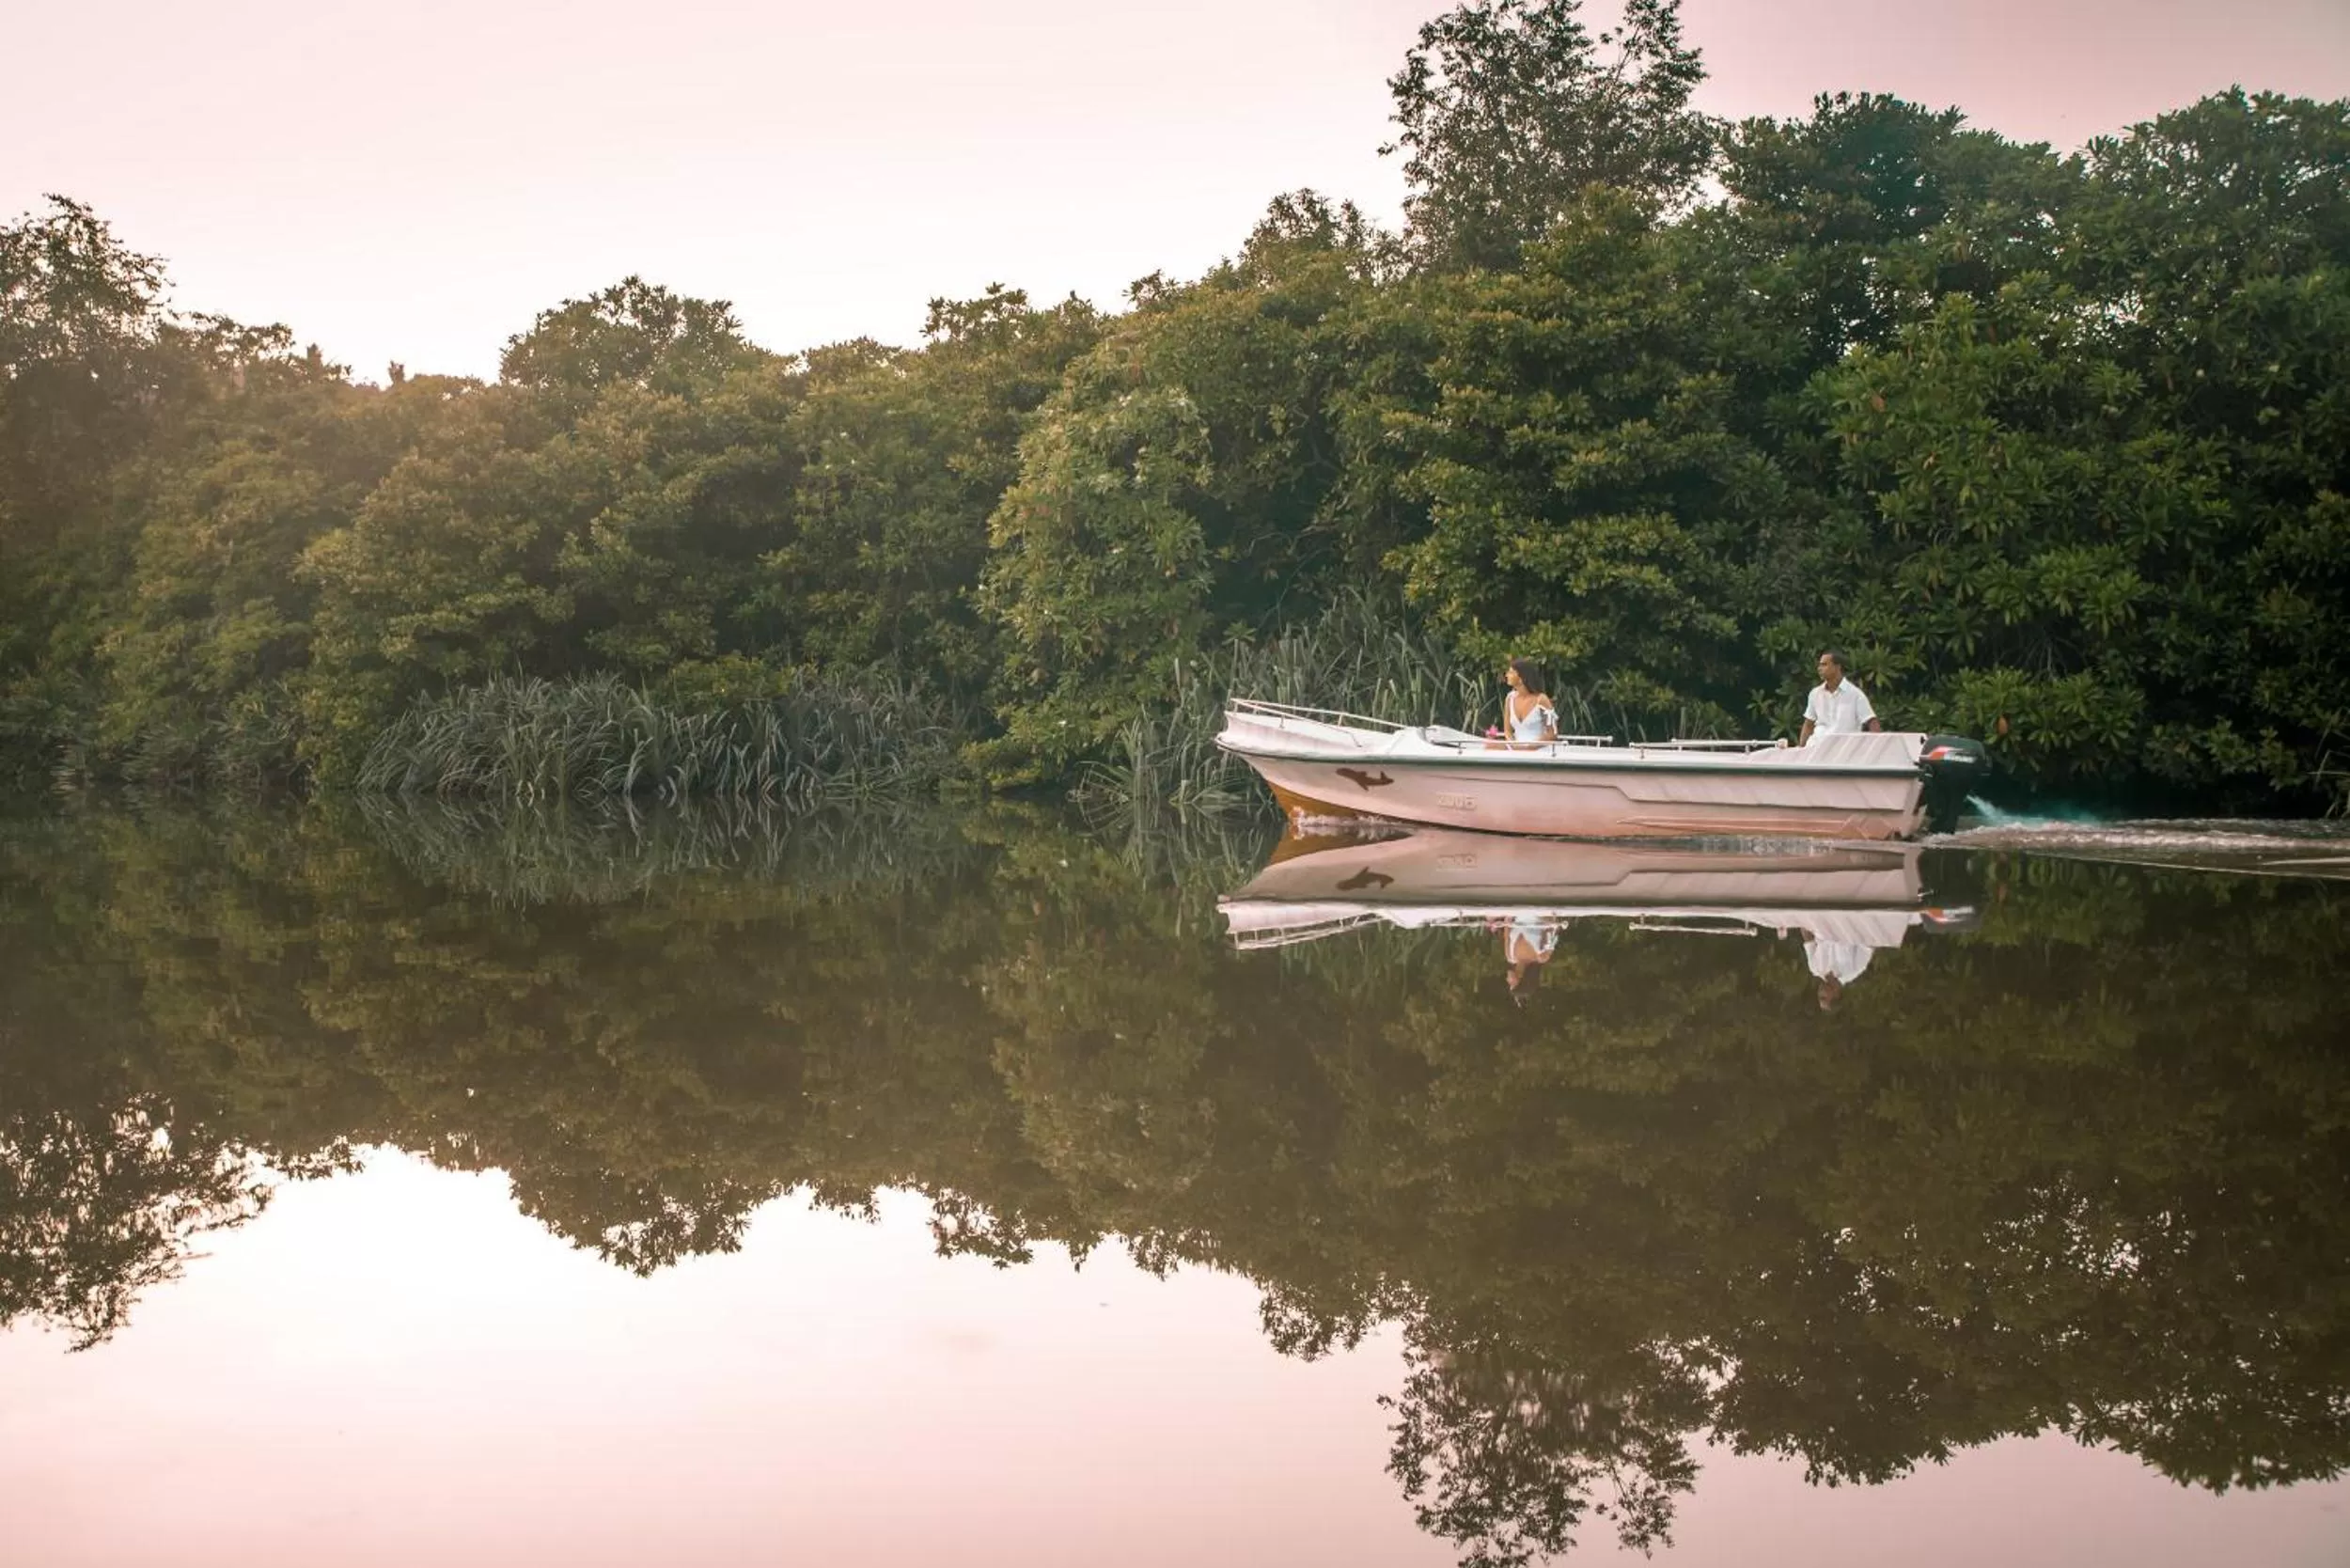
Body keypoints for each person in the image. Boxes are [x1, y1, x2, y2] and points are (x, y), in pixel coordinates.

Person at [1798, 650, 1881, 745]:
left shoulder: (1855, 694)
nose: (1819, 668)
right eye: (1820, 665)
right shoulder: (1815, 693)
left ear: (1837, 667)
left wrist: (1876, 748)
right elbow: (1808, 725)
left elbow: (1872, 722)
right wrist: (1801, 749)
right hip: (1816, 748)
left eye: (1824, 665)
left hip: (1843, 752)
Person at [1494, 657, 1557, 748]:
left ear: (1521, 677)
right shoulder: (1510, 698)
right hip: (1516, 752)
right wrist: (1513, 746)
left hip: (1539, 751)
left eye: (1511, 672)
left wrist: (1529, 747)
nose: (1506, 675)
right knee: (1491, 747)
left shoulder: (1541, 699)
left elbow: (1552, 734)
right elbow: (1508, 731)